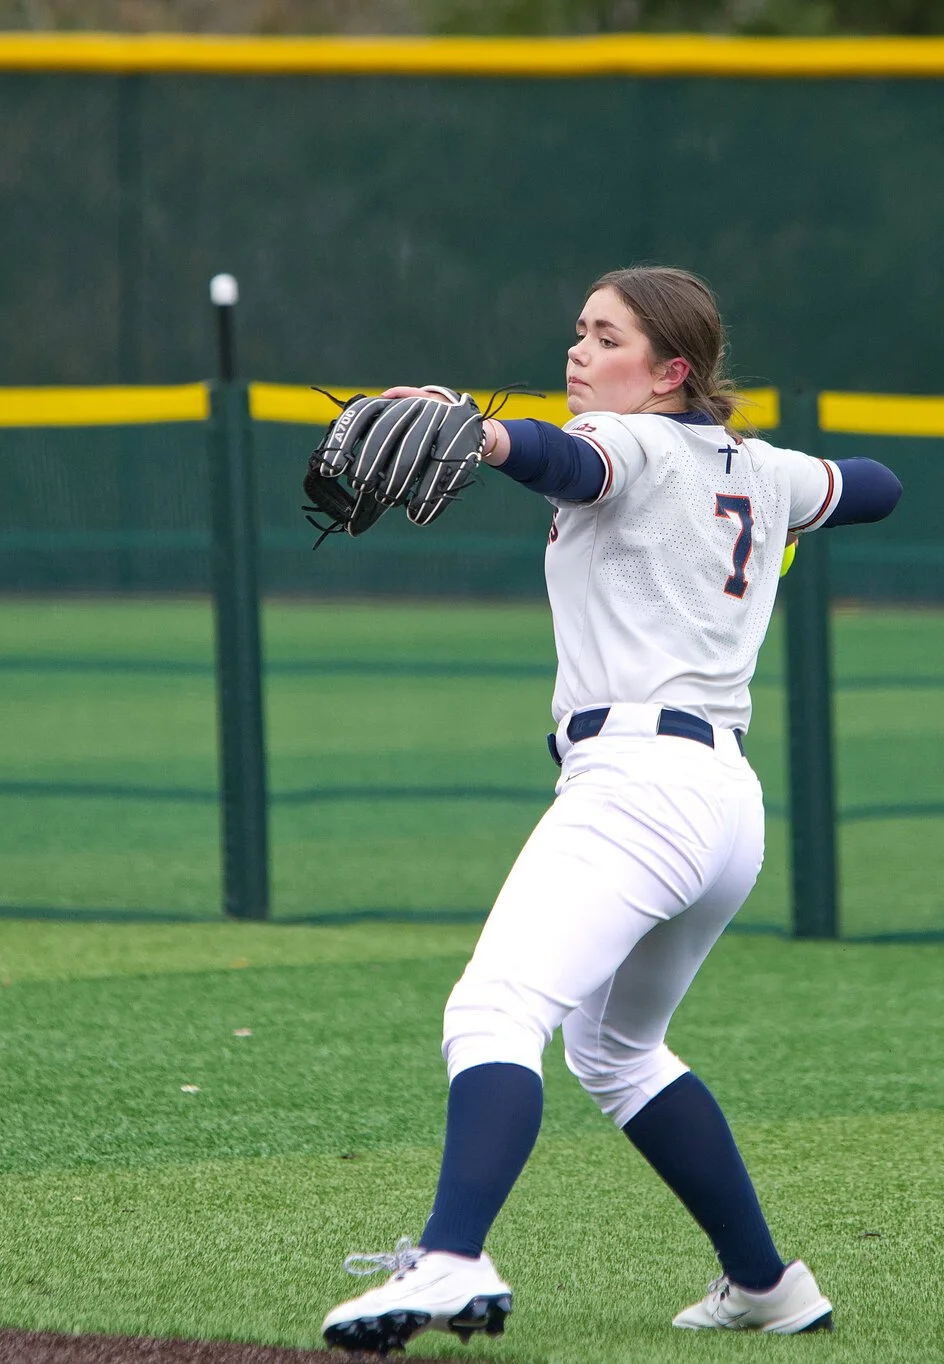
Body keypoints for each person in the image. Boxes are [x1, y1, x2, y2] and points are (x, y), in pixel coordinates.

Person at [319, 266, 903, 1354]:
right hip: (724, 803)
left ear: (669, 370)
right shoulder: (765, 468)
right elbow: (873, 485)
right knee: (616, 1046)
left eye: (606, 338)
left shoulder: (627, 442)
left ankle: (448, 1256)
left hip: (635, 785)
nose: (579, 354)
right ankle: (765, 1283)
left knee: (493, 1009)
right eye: (577, 333)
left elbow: (566, 456)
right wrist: (776, 493)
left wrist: (486, 442)